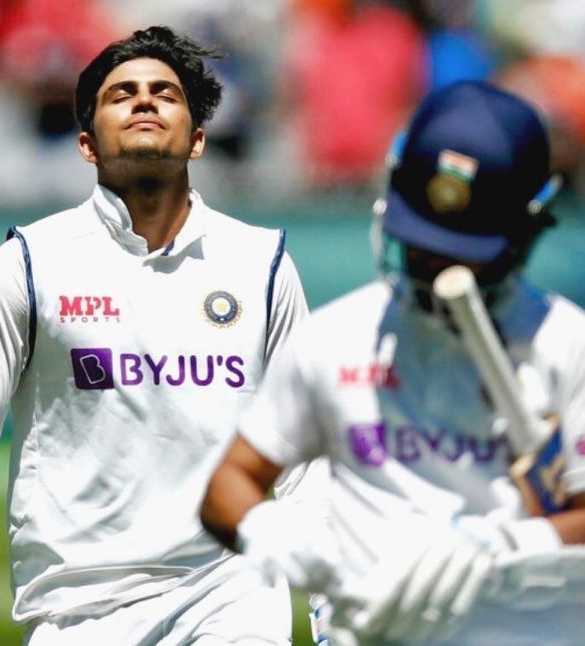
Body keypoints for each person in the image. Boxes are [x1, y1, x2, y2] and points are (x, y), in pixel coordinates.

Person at [0, 25, 308, 645]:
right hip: (77, 607)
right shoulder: (31, 261)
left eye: (165, 93)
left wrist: (333, 607)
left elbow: (304, 453)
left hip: (232, 597)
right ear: (86, 144)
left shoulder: (261, 263)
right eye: (123, 94)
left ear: (199, 138)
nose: (145, 101)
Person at [200, 80, 585, 645]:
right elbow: (230, 482)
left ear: (528, 228)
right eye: (423, 246)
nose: (434, 269)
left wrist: (508, 547)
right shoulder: (335, 338)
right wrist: (291, 545)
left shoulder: (567, 345)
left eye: (461, 254)